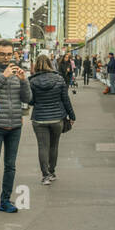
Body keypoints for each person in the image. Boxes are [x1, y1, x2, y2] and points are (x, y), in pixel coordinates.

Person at [0, 40, 32, 217]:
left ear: (13, 54)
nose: (6, 57)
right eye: (2, 54)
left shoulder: (18, 73)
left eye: (9, 54)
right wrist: (4, 77)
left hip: (15, 126)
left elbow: (27, 98)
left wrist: (24, 81)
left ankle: (5, 201)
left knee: (10, 166)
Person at [29, 54, 76, 185]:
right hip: (57, 119)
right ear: (50, 64)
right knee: (54, 146)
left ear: (36, 65)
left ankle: (45, 176)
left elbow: (31, 101)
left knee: (42, 147)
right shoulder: (59, 79)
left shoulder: (32, 81)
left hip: (39, 119)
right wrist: (72, 116)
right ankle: (52, 171)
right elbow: (65, 100)